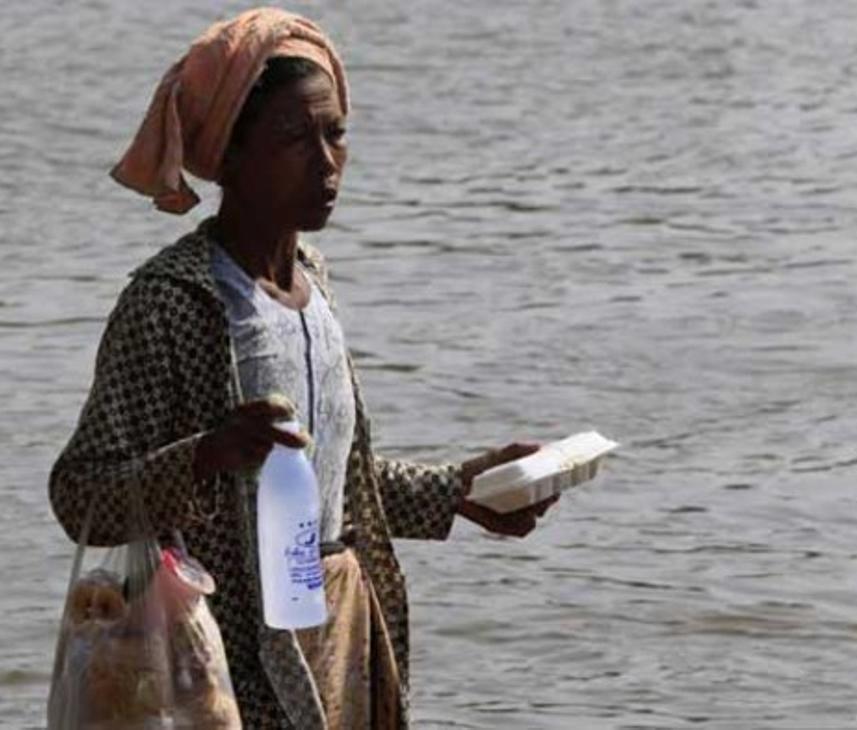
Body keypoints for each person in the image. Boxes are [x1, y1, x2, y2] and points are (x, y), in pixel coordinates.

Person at [49, 8, 555, 729]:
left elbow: (327, 480)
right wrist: (202, 457)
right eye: (294, 139)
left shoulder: (313, 284)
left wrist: (464, 490)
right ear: (231, 155)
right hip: (224, 655)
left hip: (340, 621)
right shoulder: (171, 302)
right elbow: (81, 494)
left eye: (336, 133)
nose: (326, 162)